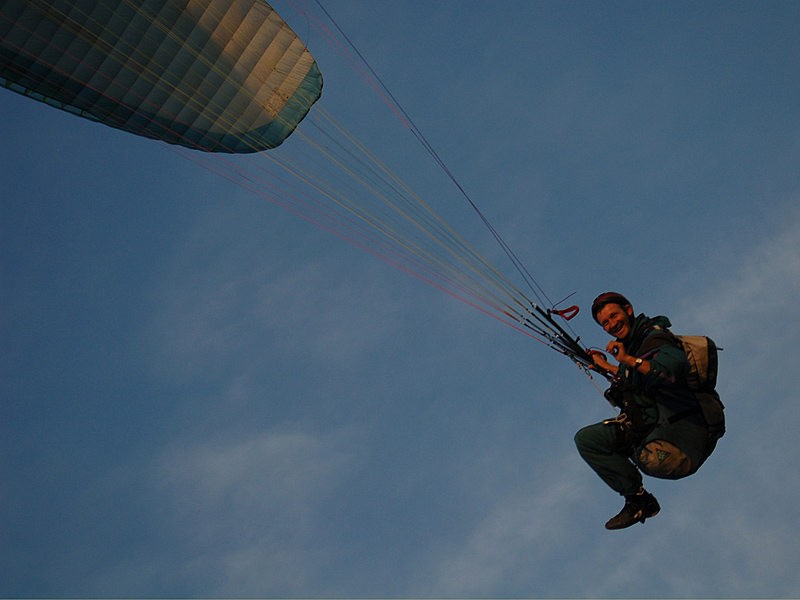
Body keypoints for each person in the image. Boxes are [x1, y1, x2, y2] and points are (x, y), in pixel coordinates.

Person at [575, 292, 716, 530]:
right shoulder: (634, 346)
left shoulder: (654, 337)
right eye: (605, 323)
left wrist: (628, 360)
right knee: (589, 440)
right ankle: (639, 502)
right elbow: (635, 379)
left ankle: (638, 499)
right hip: (658, 424)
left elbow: (671, 368)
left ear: (628, 310)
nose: (611, 324)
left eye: (614, 315)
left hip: (681, 429)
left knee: (591, 441)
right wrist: (608, 366)